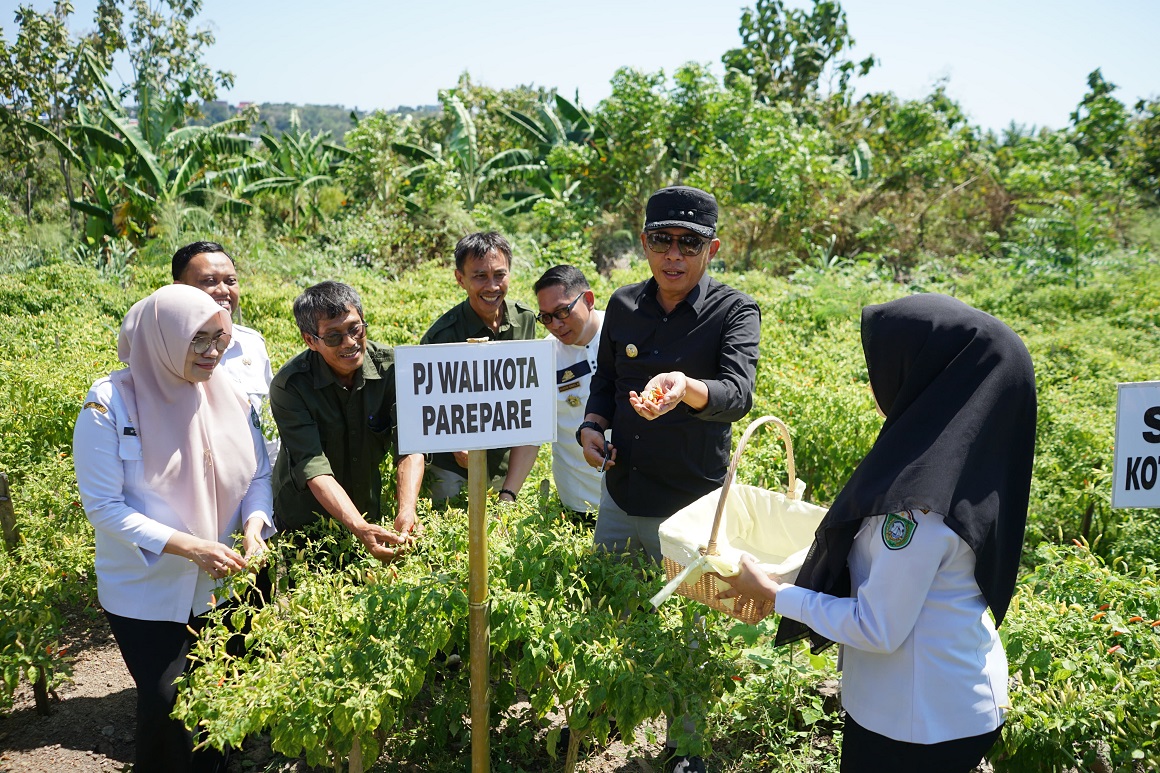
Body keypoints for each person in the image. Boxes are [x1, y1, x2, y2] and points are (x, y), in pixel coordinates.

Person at [717, 294, 1037, 773]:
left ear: (930, 375)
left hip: (918, 723)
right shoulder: (950, 461)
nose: (874, 380)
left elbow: (877, 627)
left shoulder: (921, 506)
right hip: (930, 700)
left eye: (887, 364)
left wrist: (775, 594)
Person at [577, 185, 761, 773]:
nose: (674, 255)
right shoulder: (625, 305)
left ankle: (686, 745)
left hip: (694, 498)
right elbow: (605, 381)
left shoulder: (734, 310)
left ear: (712, 249)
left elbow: (738, 394)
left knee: (691, 629)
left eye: (689, 243)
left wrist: (686, 388)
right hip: (623, 490)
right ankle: (611, 709)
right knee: (612, 611)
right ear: (645, 243)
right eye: (662, 241)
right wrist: (592, 425)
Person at [73, 284, 274, 772]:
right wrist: (187, 546)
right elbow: (103, 506)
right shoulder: (109, 405)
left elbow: (258, 473)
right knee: (170, 706)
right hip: (147, 592)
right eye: (197, 340)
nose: (212, 352)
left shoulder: (225, 391)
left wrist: (253, 524)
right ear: (162, 340)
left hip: (226, 581)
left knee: (219, 701)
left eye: (218, 338)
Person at [270, 281, 424, 561]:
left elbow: (411, 445)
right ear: (310, 341)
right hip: (306, 518)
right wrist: (358, 526)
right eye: (333, 336)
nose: (350, 342)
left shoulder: (392, 369)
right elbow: (313, 466)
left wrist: (406, 510)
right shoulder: (290, 386)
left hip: (367, 506)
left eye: (355, 329)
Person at [420, 231, 540, 504]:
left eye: (500, 275)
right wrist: (453, 442)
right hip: (453, 469)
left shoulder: (525, 320)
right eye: (480, 276)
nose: (492, 286)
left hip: (506, 463)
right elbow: (427, 407)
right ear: (460, 279)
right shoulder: (441, 337)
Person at [171, 240, 278, 465]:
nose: (223, 290)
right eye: (209, 281)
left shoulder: (253, 345)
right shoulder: (164, 348)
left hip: (256, 489)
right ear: (178, 288)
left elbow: (268, 425)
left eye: (230, 281)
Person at [534, 265, 605, 515]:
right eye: (545, 317)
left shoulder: (623, 333)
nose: (555, 324)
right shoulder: (546, 356)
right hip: (578, 499)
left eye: (563, 311)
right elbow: (533, 431)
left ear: (588, 300)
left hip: (633, 496)